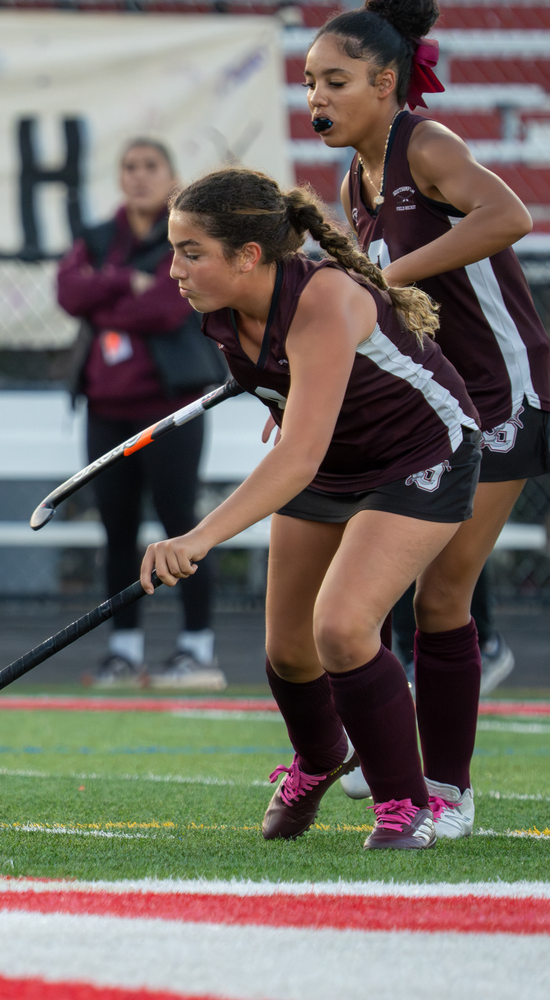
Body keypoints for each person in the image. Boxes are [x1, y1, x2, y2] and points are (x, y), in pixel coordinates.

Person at [144, 167, 480, 851]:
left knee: (343, 628)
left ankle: (403, 805)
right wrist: (289, 403)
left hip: (420, 453)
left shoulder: (323, 299)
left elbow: (296, 457)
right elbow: (300, 414)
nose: (173, 267)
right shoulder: (222, 312)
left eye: (190, 250)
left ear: (249, 256)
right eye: (174, 249)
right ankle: (322, 757)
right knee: (290, 652)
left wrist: (201, 536)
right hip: (334, 460)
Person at [306, 0, 548, 828]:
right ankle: (393, 756)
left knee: (442, 596)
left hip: (504, 395)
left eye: (335, 82)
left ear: (385, 82)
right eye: (308, 83)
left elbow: (510, 216)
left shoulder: (428, 145)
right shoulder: (353, 177)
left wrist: (391, 273)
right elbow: (363, 312)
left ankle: (447, 791)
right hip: (440, 402)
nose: (317, 99)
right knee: (407, 589)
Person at [57, 138, 224, 690]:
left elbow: (167, 305)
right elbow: (67, 292)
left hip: (170, 410)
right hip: (106, 410)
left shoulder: (188, 235)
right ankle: (124, 652)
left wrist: (109, 297)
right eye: (129, 167)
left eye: (151, 166)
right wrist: (125, 281)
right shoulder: (101, 236)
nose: (139, 177)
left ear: (171, 174)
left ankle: (196, 649)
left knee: (183, 528)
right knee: (117, 531)